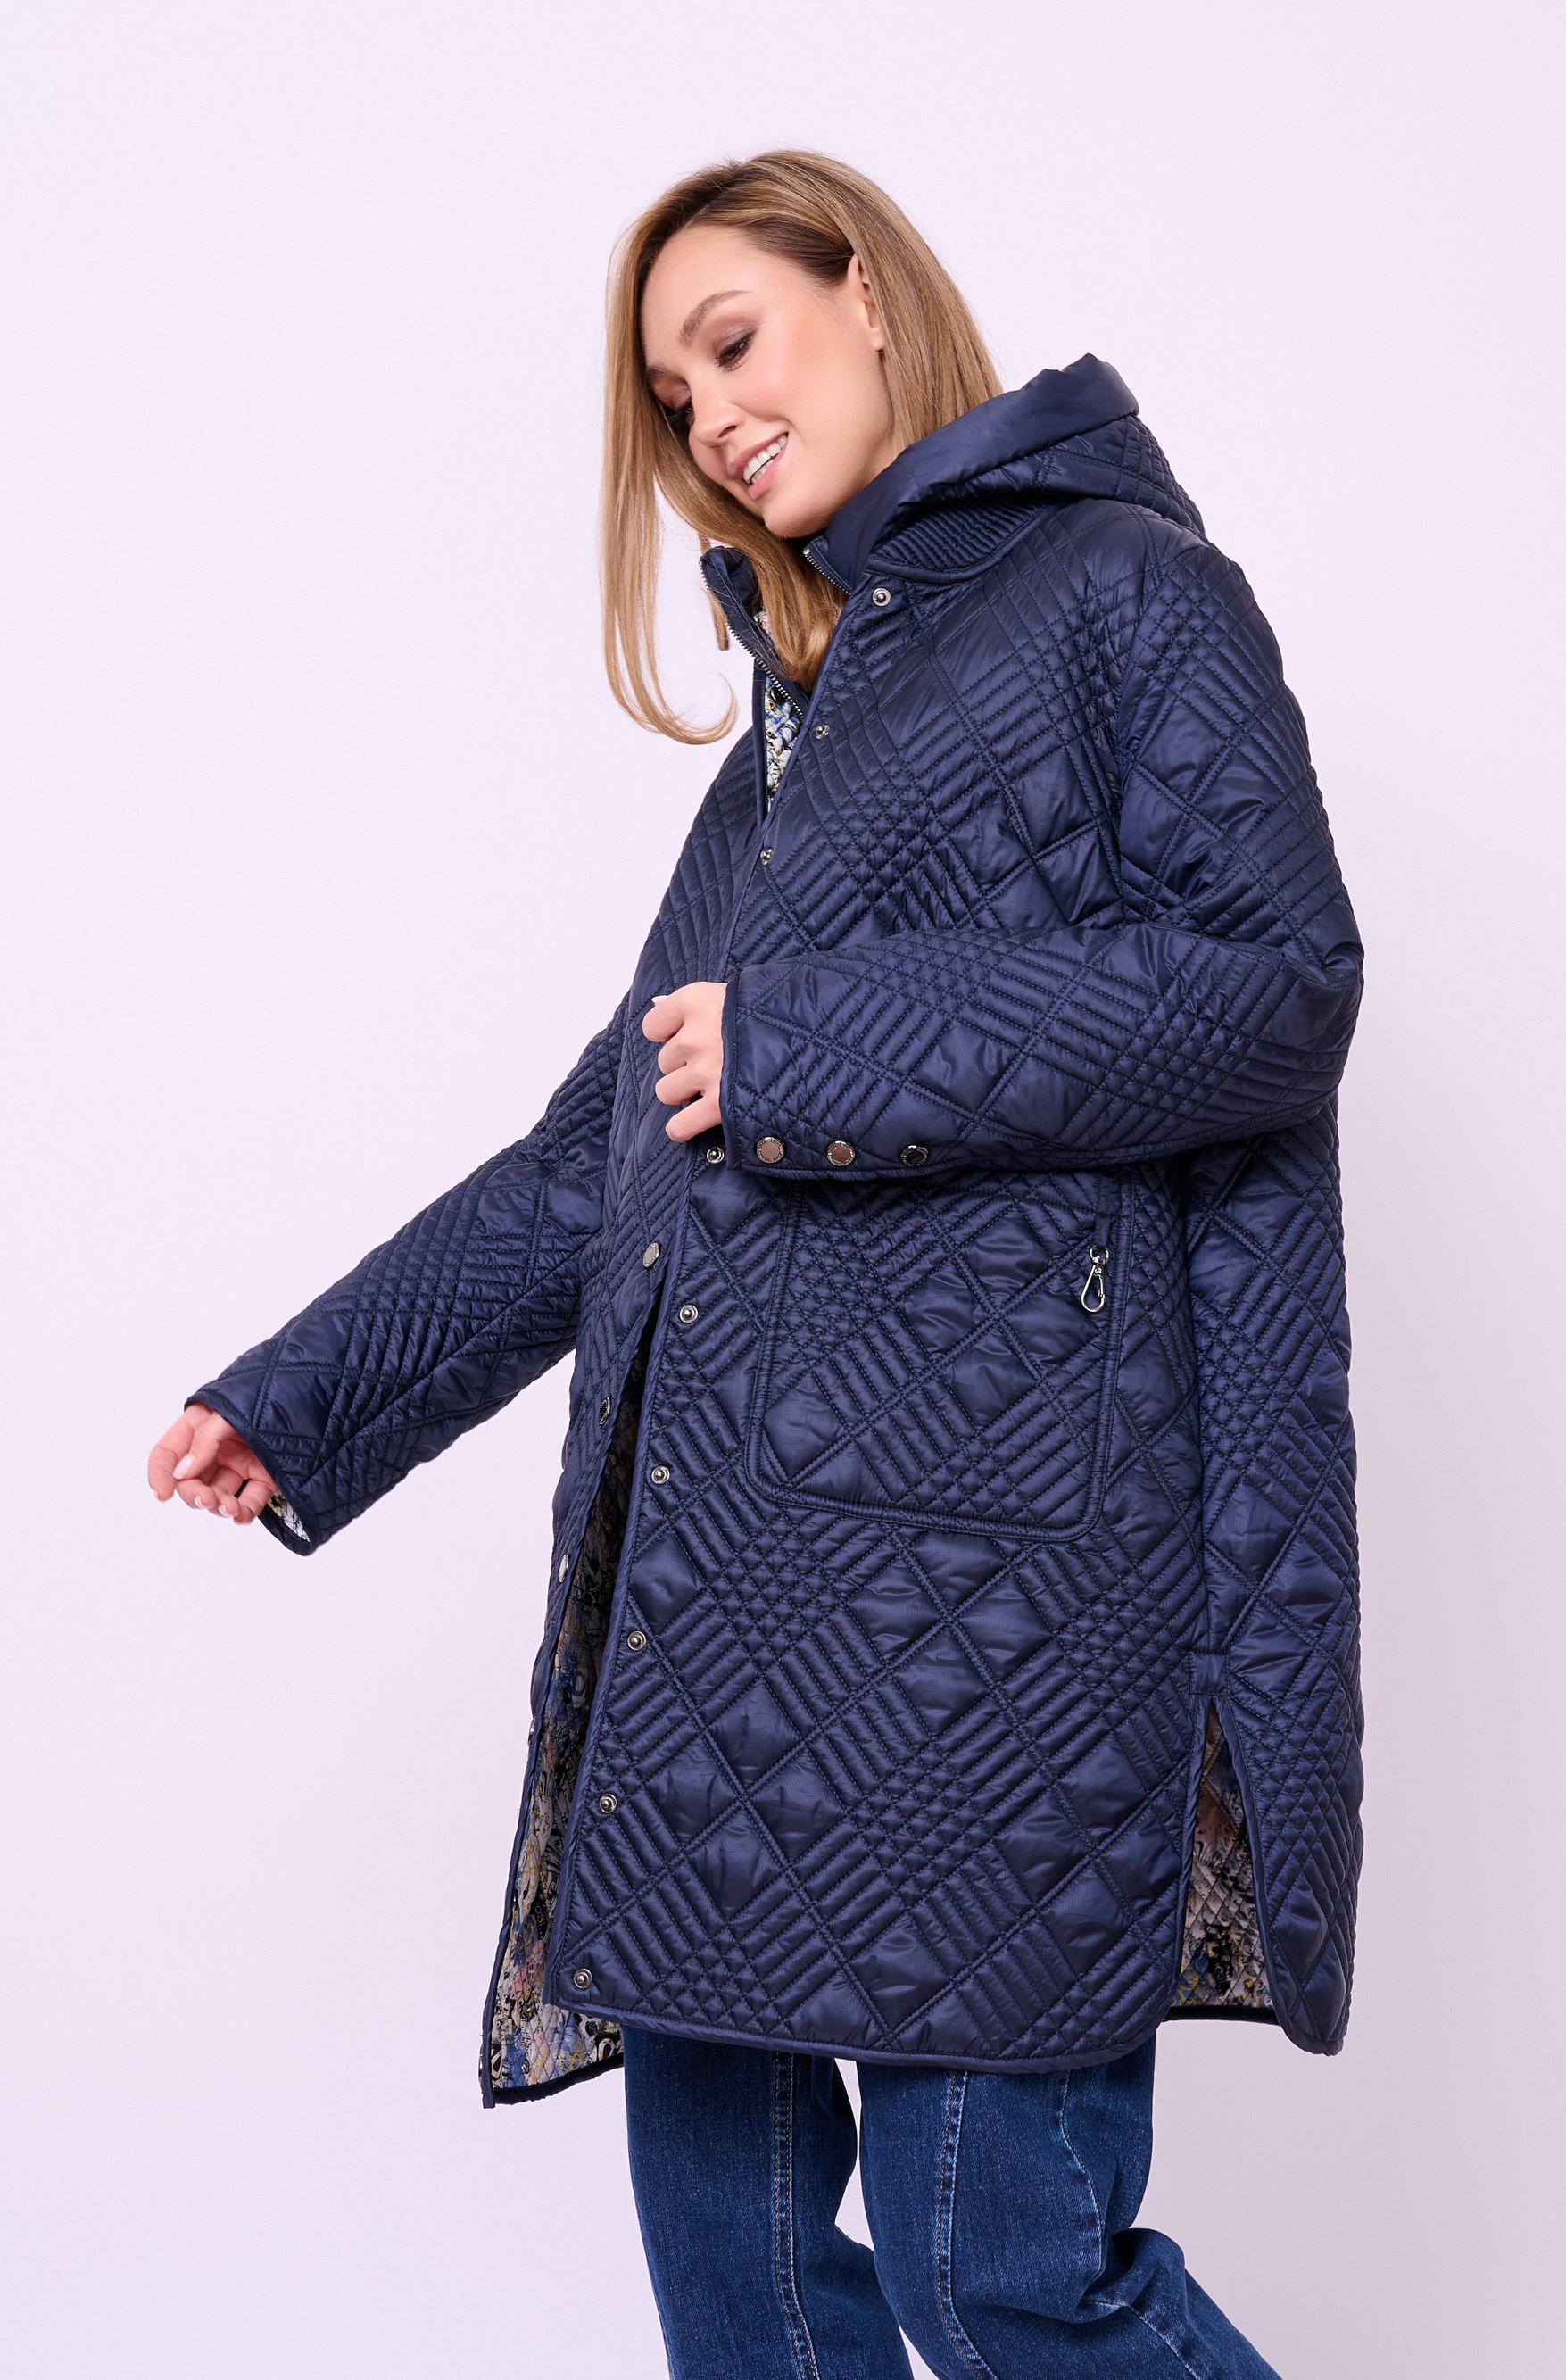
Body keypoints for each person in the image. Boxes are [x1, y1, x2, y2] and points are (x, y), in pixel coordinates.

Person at [148, 150, 1363, 2380]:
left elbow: (1281, 990)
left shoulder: (1127, 591)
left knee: (1005, 2278)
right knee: (754, 2303)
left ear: (868, 293)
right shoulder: (802, 716)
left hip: (1000, 1615)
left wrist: (808, 1044)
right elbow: (610, 1145)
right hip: (720, 1625)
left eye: (734, 340)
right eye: (669, 394)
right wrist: (305, 1393)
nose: (710, 416)